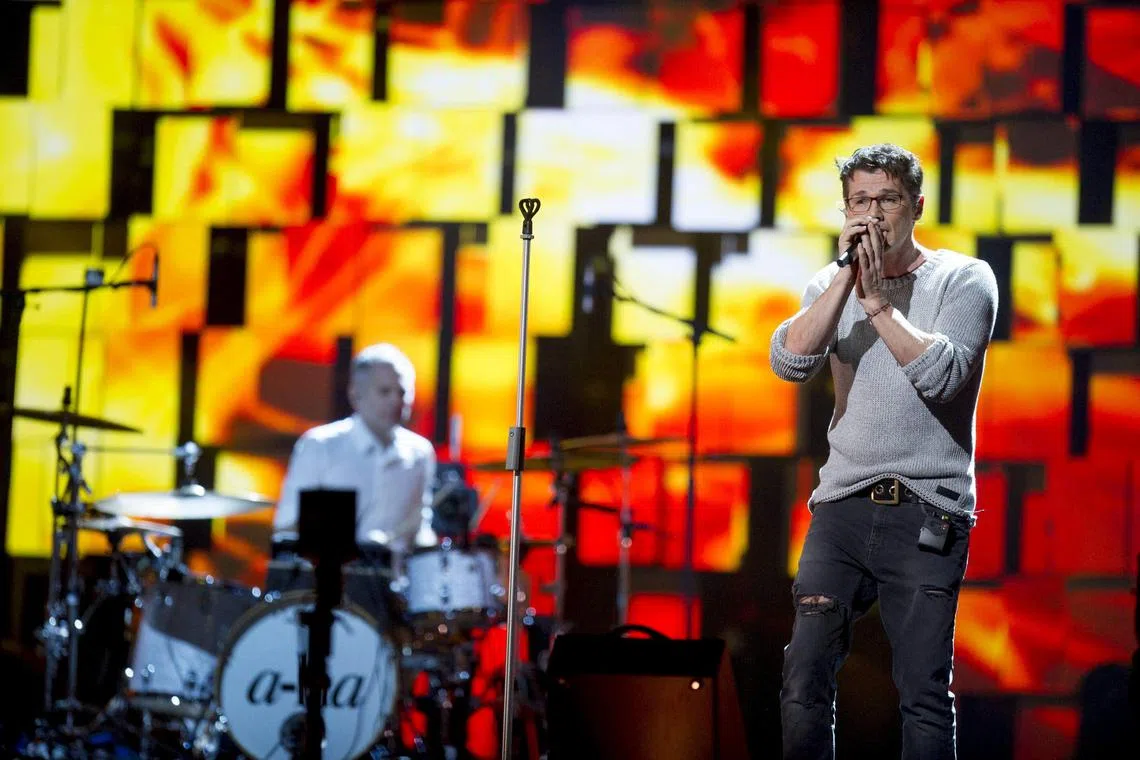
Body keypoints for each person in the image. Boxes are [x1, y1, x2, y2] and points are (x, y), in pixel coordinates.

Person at [769, 143, 998, 760]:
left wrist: (877, 303)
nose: (872, 214)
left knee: (922, 691)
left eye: (887, 200)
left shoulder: (964, 279)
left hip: (929, 510)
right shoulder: (830, 283)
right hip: (842, 507)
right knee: (803, 678)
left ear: (916, 206)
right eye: (859, 201)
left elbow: (943, 376)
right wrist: (849, 278)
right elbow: (790, 362)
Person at [273, 343, 437, 554]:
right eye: (385, 391)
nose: (396, 401)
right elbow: (288, 526)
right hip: (330, 579)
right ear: (355, 395)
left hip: (394, 582)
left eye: (403, 392)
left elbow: (419, 529)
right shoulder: (320, 445)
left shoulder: (420, 453)